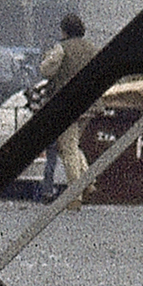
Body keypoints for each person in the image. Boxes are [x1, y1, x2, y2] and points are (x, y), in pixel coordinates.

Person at [38, 14, 97, 194]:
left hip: (68, 105)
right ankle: (88, 181)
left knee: (68, 149)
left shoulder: (62, 48)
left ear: (65, 30)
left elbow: (46, 70)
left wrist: (46, 57)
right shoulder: (92, 48)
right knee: (72, 145)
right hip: (90, 104)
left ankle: (75, 194)